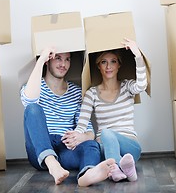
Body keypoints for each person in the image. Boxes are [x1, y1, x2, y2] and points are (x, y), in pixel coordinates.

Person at [20, 47, 115, 187]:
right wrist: (41, 60)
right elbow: (29, 103)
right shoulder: (34, 87)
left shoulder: (76, 92)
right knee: (33, 109)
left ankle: (87, 174)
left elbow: (89, 131)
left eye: (67, 59)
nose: (63, 64)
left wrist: (81, 137)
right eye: (58, 58)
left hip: (65, 148)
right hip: (40, 149)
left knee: (92, 145)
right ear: (48, 61)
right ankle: (52, 163)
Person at [73, 38, 148, 182]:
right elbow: (82, 124)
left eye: (113, 61)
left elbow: (142, 86)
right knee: (106, 135)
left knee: (108, 132)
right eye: (103, 62)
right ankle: (125, 170)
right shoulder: (92, 93)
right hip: (105, 148)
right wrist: (74, 136)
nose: (108, 66)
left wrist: (138, 55)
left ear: (119, 65)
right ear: (98, 66)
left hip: (130, 147)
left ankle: (117, 168)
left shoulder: (127, 87)